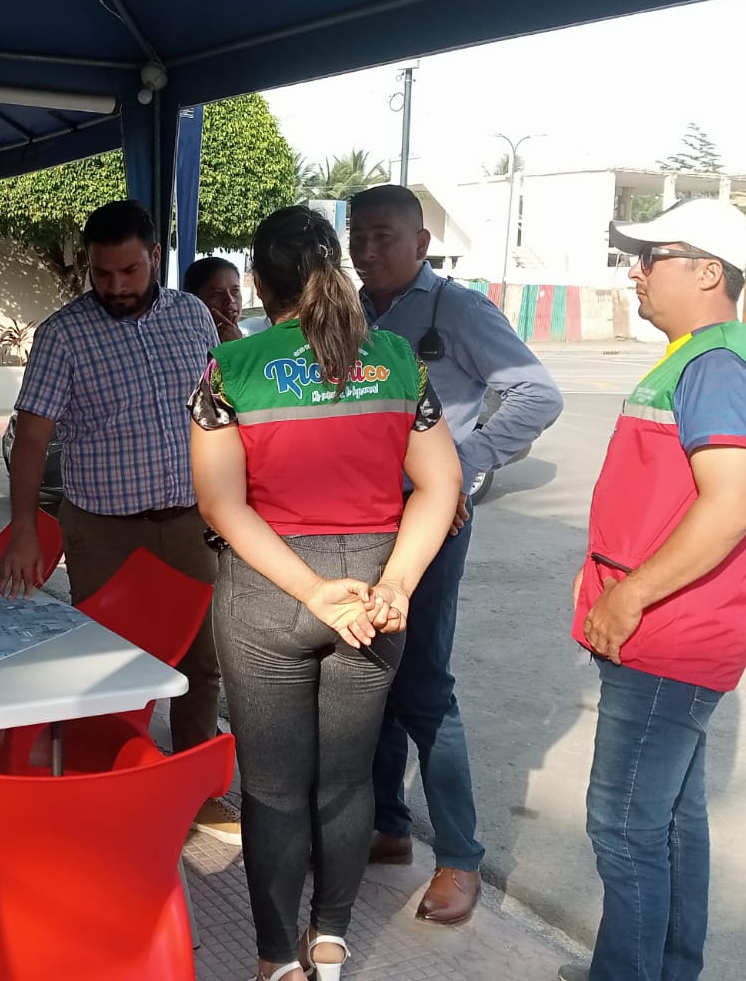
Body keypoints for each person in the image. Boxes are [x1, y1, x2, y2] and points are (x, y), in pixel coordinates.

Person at [191, 205, 462, 981]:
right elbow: (441, 483)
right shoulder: (397, 359)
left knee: (275, 791)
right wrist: (396, 583)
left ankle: (278, 958)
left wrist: (312, 591)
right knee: (347, 779)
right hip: (374, 596)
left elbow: (221, 506)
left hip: (271, 593)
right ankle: (333, 939)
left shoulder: (231, 366)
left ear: (260, 281)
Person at [560, 199, 746, 981]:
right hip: (670, 629)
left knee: (623, 827)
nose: (636, 273)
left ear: (708, 271)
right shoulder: (700, 356)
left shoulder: (717, 367)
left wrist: (628, 596)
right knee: (671, 821)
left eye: (652, 258)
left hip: (669, 635)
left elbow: (730, 505)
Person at [349, 184, 563, 925]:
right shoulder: (351, 312)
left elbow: (537, 395)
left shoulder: (459, 311)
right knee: (368, 672)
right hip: (360, 521)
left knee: (423, 686)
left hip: (430, 520)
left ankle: (460, 857)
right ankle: (387, 825)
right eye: (357, 235)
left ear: (420, 243)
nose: (366, 249)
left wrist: (461, 464)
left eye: (382, 235)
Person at [0, 199, 238, 839]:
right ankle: (110, 781)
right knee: (107, 665)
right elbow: (32, 437)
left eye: (129, 271)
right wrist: (24, 529)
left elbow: (216, 412)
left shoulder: (193, 317)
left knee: (200, 662)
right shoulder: (63, 335)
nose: (116, 287)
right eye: (102, 274)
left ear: (155, 256)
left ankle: (194, 787)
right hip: (103, 531)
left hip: (189, 522)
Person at [182, 254, 246, 342]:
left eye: (235, 291)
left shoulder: (250, 341)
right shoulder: (185, 341)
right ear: (193, 299)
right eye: (217, 294)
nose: (230, 300)